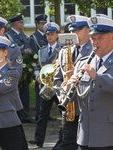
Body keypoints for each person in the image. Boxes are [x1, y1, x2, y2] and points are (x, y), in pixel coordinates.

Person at [65, 14, 113, 150]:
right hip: (85, 134)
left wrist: (96, 76)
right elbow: (75, 98)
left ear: (112, 37)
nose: (95, 42)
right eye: (93, 38)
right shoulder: (83, 61)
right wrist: (70, 87)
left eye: (100, 38)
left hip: (108, 134)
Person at [0, 14, 29, 150]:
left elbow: (15, 75)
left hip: (8, 101)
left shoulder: (13, 49)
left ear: (2, 30)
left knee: (15, 141)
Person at [53, 15, 92, 150]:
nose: (73, 34)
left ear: (88, 30)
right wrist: (63, 96)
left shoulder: (94, 50)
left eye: (78, 30)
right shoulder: (64, 51)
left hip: (86, 108)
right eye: (71, 30)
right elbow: (57, 79)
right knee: (68, 144)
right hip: (69, 108)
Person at [28, 22, 61, 147]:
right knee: (42, 114)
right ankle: (38, 139)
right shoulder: (42, 51)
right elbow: (38, 67)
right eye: (48, 34)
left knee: (65, 113)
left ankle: (65, 137)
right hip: (46, 87)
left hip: (58, 86)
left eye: (52, 34)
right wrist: (37, 76)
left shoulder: (62, 50)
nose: (50, 36)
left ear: (57, 35)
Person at [6, 14, 33, 123]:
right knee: (15, 92)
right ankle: (16, 114)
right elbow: (10, 52)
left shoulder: (22, 35)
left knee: (24, 92)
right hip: (14, 67)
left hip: (25, 68)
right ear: (16, 24)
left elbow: (28, 47)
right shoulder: (8, 36)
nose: (23, 24)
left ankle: (25, 114)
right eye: (21, 22)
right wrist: (23, 52)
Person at [28, 14, 48, 121]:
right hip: (39, 68)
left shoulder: (48, 35)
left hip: (49, 68)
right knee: (39, 91)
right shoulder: (34, 37)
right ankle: (39, 113)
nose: (44, 25)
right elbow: (33, 54)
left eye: (45, 23)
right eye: (42, 23)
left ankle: (46, 113)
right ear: (37, 24)